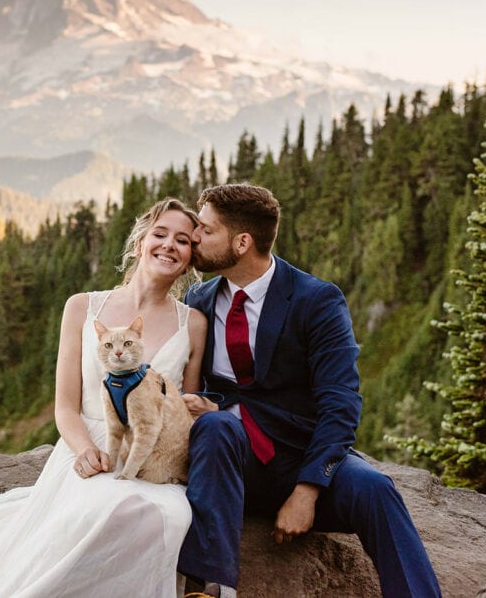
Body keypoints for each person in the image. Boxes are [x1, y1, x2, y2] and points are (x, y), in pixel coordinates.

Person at [0, 198, 208, 597]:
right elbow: (65, 405)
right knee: (99, 511)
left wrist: (201, 411)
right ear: (139, 243)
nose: (169, 245)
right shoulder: (82, 307)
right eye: (160, 234)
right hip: (91, 443)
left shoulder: (192, 323)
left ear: (188, 260)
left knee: (165, 516)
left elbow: (186, 405)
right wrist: (82, 451)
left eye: (182, 241)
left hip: (154, 457)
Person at [177, 183, 441, 598]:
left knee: (377, 491)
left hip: (301, 454)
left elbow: (340, 401)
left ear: (242, 242)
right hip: (231, 463)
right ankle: (210, 592)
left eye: (207, 230)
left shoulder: (316, 299)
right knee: (213, 426)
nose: (195, 238)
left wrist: (307, 490)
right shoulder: (200, 298)